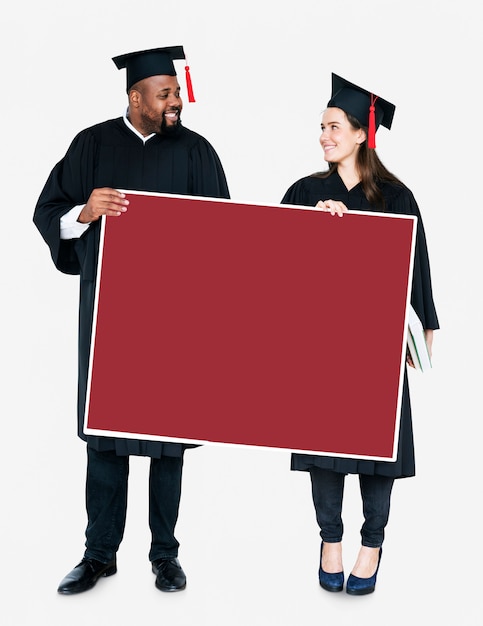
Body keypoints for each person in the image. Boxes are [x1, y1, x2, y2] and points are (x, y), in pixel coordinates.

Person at [33, 45, 230, 594]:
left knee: (168, 443)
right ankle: (99, 554)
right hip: (109, 316)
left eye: (177, 93)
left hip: (175, 322)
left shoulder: (197, 153)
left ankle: (165, 555)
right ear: (135, 96)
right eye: (164, 94)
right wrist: (84, 212)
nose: (176, 101)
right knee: (107, 440)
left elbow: (227, 235)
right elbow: (47, 210)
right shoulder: (91, 145)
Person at [281, 73, 439, 595]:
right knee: (324, 450)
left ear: (360, 134)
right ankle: (330, 538)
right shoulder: (304, 192)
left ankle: (372, 544)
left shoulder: (397, 196)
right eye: (321, 127)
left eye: (332, 126)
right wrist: (313, 224)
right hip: (318, 345)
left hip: (376, 346)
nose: (323, 135)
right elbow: (271, 259)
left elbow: (417, 268)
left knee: (378, 452)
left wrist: (426, 330)